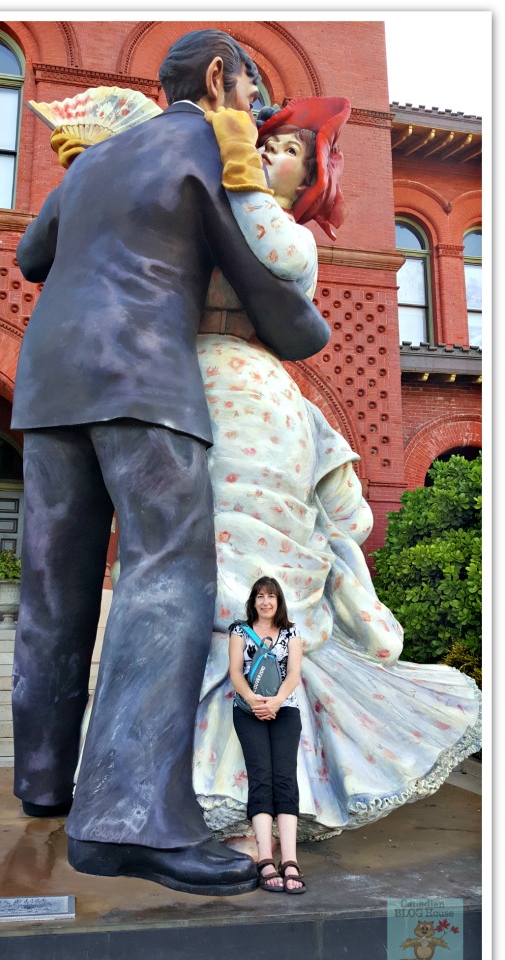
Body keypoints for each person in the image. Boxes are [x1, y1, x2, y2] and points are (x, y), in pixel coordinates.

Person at [10, 28, 331, 896]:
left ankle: (43, 781)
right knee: (165, 576)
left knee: (54, 584)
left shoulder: (98, 159)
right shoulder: (214, 145)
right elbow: (258, 271)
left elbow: (30, 255)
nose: (260, 117)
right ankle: (127, 822)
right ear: (221, 78)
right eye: (255, 93)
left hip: (46, 384)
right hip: (143, 380)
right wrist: (307, 330)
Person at [191, 102, 482, 844]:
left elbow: (270, 251)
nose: (267, 155)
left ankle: (252, 789)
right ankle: (214, 776)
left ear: (310, 178)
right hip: (196, 391)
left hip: (251, 401)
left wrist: (235, 166)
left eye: (286, 150)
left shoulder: (284, 231)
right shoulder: (215, 208)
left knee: (248, 578)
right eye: (266, 144)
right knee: (206, 571)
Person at [228, 577, 306, 893]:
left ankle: (290, 859)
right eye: (260, 596)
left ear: (279, 601)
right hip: (248, 711)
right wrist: (254, 702)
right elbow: (235, 672)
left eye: (271, 596)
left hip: (285, 710)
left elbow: (294, 674)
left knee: (285, 778)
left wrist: (274, 702)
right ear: (253, 601)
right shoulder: (239, 631)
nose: (265, 602)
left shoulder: (292, 632)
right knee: (261, 776)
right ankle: (265, 857)